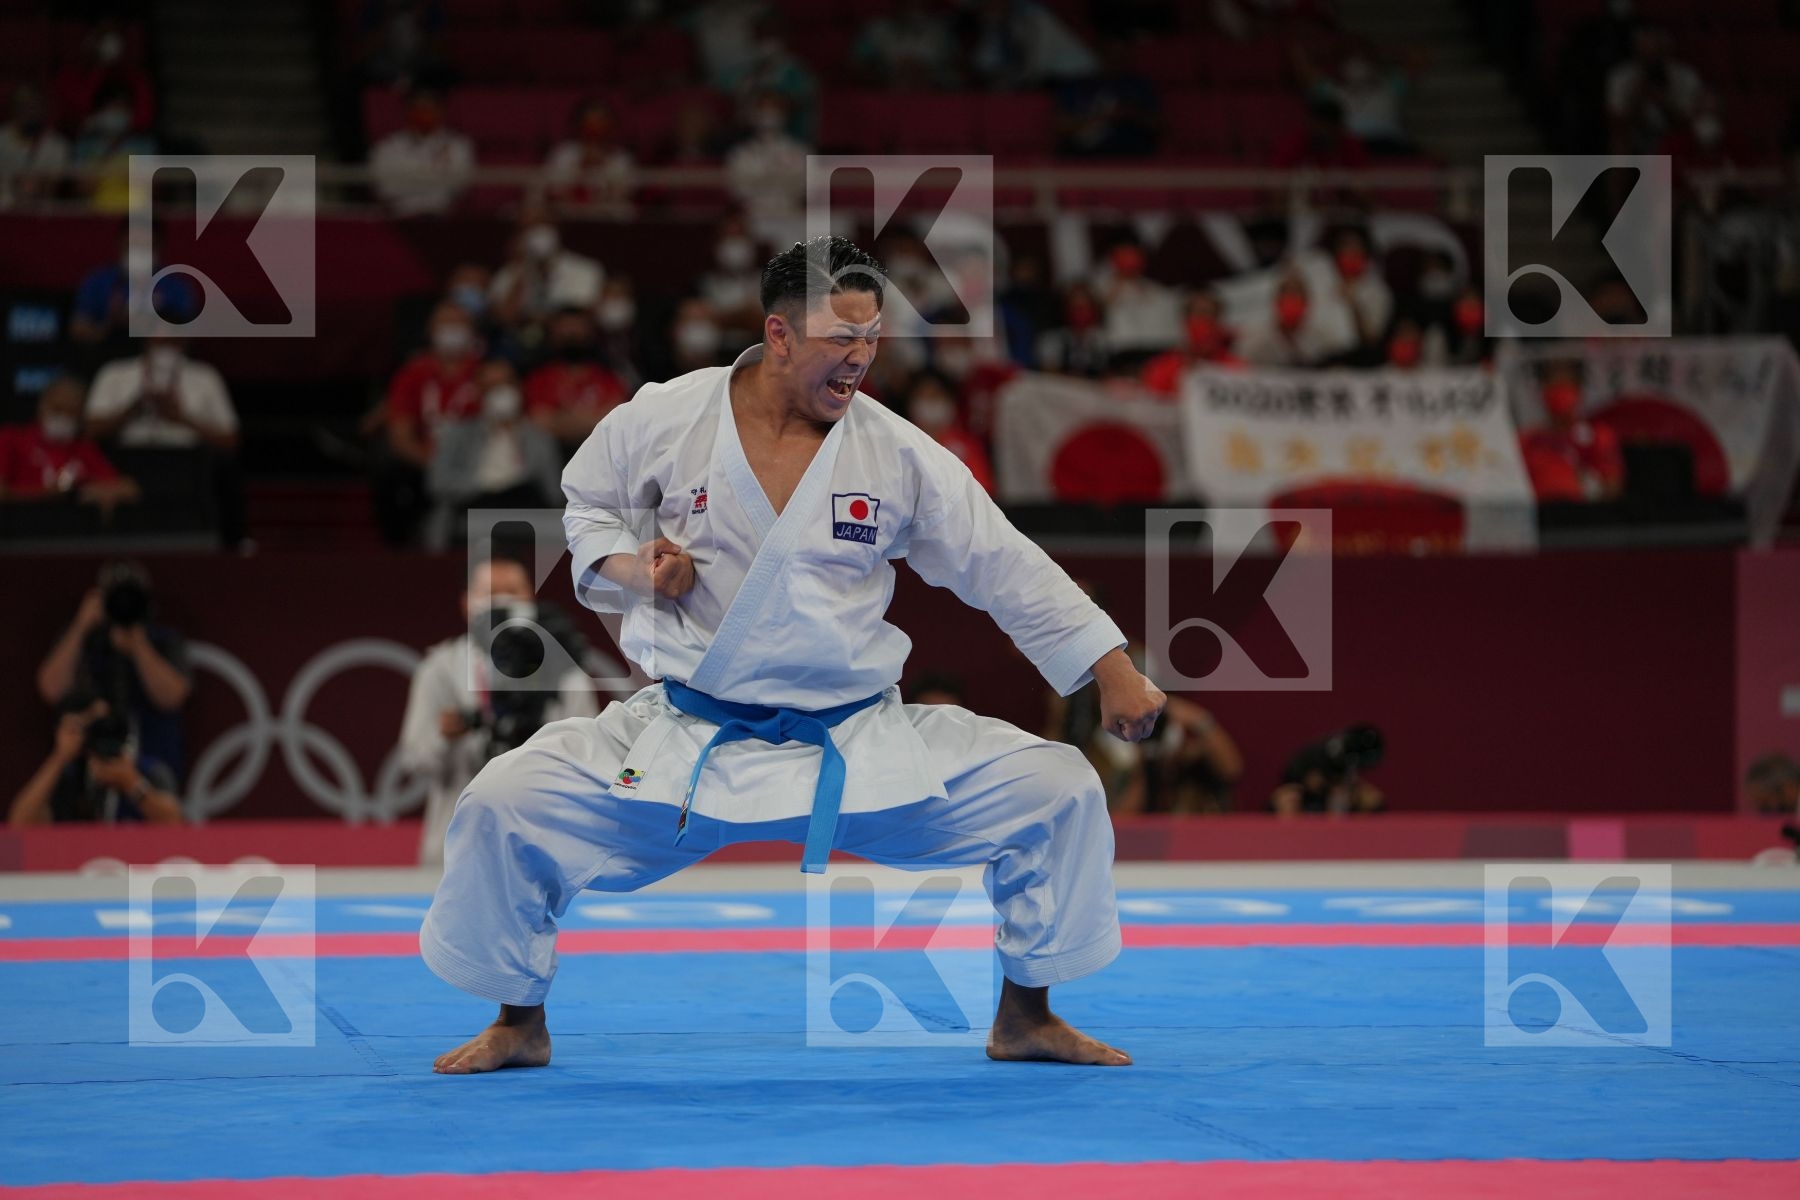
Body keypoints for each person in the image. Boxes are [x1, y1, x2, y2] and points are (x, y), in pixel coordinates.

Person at [422, 236, 1165, 1073]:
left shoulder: (897, 452)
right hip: (688, 743)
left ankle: (1026, 1016)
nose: (859, 359)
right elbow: (587, 509)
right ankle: (519, 1021)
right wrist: (636, 571)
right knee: (505, 801)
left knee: (1058, 786)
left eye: (872, 338)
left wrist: (1110, 664)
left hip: (854, 744)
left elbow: (1003, 561)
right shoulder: (664, 417)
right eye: (840, 337)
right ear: (778, 335)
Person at [398, 557, 602, 865]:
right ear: (467, 604)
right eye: (491, 593)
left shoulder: (565, 670)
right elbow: (414, 760)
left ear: (530, 600)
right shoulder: (439, 670)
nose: (502, 602)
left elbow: (591, 758)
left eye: (513, 591)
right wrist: (445, 737)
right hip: (456, 847)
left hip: (543, 844)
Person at [37, 561, 192, 782]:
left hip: (152, 763)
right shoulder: (82, 639)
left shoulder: (163, 640)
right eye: (115, 597)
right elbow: (51, 689)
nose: (123, 604)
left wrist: (139, 647)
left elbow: (173, 697)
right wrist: (81, 626)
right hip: (86, 761)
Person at [422, 359, 564, 548]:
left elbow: (554, 494)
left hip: (524, 508)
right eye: (491, 387)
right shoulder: (456, 434)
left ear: (518, 388)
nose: (500, 392)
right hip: (474, 504)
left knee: (528, 497)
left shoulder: (540, 438)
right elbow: (437, 483)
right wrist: (485, 484)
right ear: (479, 392)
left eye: (505, 384)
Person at [9, 693, 183, 826]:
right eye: (93, 728)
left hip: (137, 867)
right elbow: (20, 823)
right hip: (75, 866)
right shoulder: (70, 776)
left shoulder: (148, 771)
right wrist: (59, 757)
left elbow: (175, 823)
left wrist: (132, 784)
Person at [0, 376, 139, 511]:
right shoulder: (11, 439)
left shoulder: (83, 449)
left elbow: (129, 488)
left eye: (71, 413)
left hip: (70, 530)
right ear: (42, 406)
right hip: (20, 527)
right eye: (57, 409)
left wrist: (95, 492)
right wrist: (48, 494)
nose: (62, 418)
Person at [524, 308, 629, 453]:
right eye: (565, 328)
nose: (572, 334)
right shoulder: (540, 379)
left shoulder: (608, 378)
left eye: (577, 327)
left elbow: (616, 420)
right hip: (554, 455)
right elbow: (540, 421)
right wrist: (589, 419)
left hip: (602, 454)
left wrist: (562, 419)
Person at [1518, 368, 1624, 503]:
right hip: (1538, 510)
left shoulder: (1597, 436)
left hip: (1579, 510)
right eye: (1554, 385)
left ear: (1578, 391)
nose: (1560, 391)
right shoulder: (1527, 440)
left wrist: (1593, 486)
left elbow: (1613, 484)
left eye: (1565, 384)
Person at [370, 89, 474, 216]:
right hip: (399, 217)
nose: (423, 113)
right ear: (407, 111)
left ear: (441, 111)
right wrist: (434, 179)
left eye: (429, 108)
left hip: (443, 218)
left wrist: (408, 179)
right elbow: (386, 188)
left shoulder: (459, 146)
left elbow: (458, 187)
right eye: (418, 108)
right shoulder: (386, 148)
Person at [1271, 724, 1385, 817]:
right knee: (1288, 799)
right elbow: (1298, 782)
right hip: (1306, 796)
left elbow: (1349, 784)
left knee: (1369, 798)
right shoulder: (1313, 758)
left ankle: (1346, 836)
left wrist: (1352, 792)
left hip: (1334, 798)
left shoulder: (1348, 763)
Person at [0, 84, 70, 209]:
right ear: (14, 110)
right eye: (24, 107)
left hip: (37, 212)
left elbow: (53, 185)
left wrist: (38, 185)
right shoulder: (2, 139)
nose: (30, 113)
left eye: (34, 107)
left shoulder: (57, 145)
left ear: (43, 110)